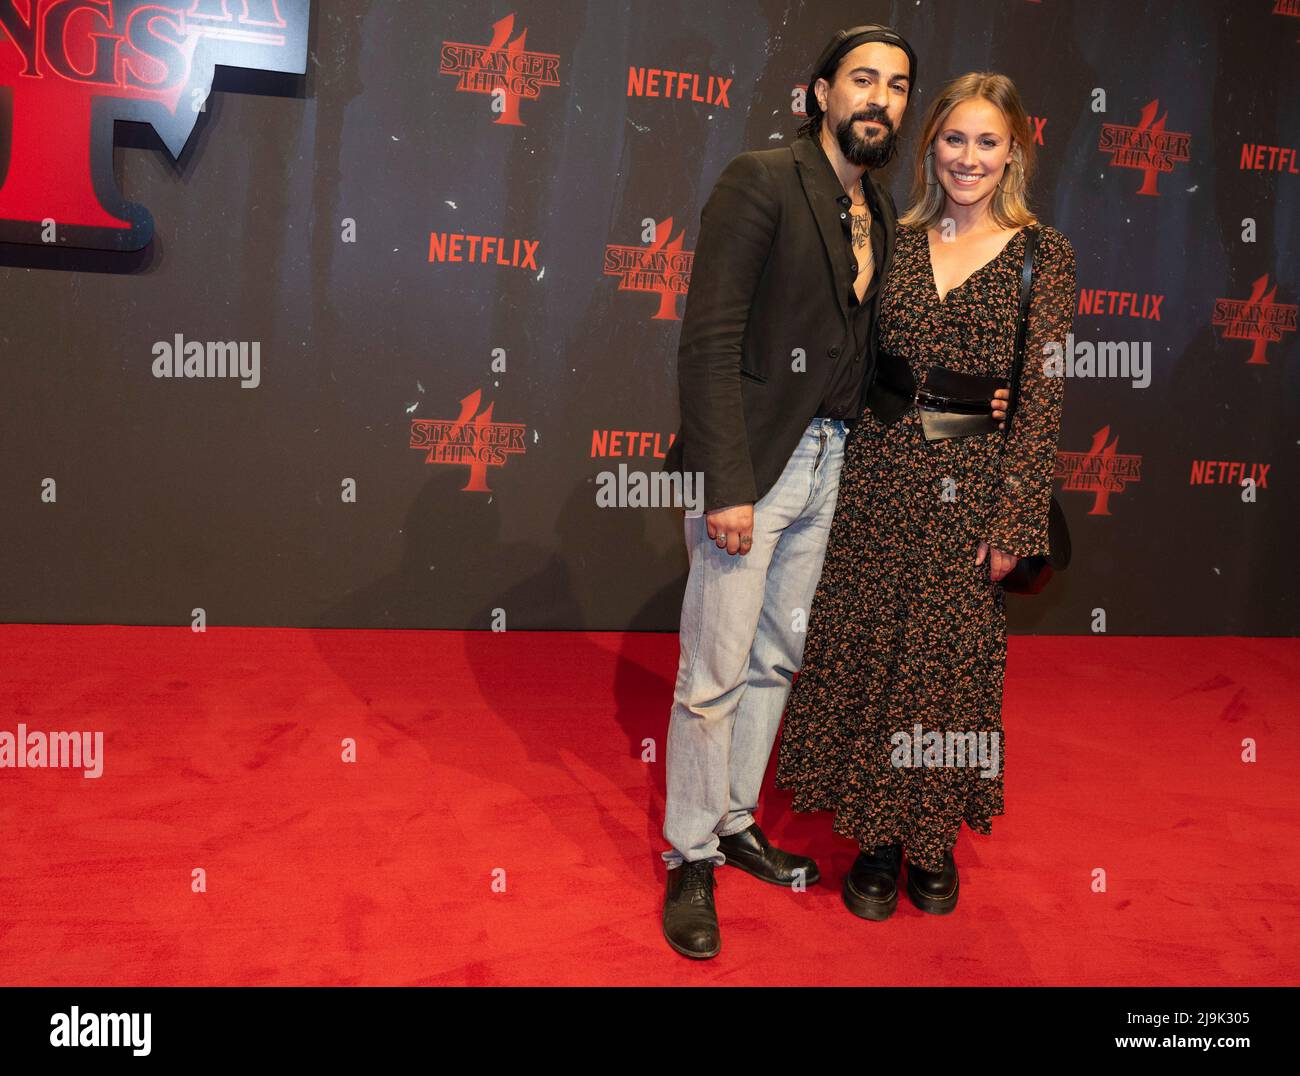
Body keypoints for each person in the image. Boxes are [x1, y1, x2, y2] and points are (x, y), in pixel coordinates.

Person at [657, 26, 1010, 960]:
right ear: (819, 94)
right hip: (754, 470)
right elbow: (707, 343)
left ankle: (735, 824)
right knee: (714, 672)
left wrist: (973, 398)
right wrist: (725, 483)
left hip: (836, 465)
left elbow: (875, 354)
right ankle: (688, 853)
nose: (880, 100)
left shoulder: (881, 209)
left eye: (898, 86)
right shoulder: (760, 179)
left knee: (776, 659)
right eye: (862, 80)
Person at [774, 72, 1076, 921]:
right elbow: (852, 356)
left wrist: (1018, 516)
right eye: (953, 140)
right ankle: (874, 835)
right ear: (930, 146)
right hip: (876, 470)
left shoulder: (1041, 256)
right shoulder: (893, 237)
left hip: (975, 479)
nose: (968, 158)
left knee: (947, 669)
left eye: (987, 142)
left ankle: (931, 834)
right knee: (872, 652)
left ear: (1013, 150)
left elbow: (1044, 392)